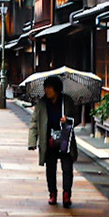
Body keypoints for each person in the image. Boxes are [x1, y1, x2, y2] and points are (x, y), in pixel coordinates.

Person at [30, 74, 73, 208]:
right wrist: (32, 141)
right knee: (51, 168)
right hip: (49, 140)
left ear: (57, 89)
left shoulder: (66, 101)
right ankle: (52, 193)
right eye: (45, 87)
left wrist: (68, 120)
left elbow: (75, 118)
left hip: (65, 139)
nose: (46, 90)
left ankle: (67, 194)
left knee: (67, 168)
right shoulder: (41, 104)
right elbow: (34, 122)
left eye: (49, 87)